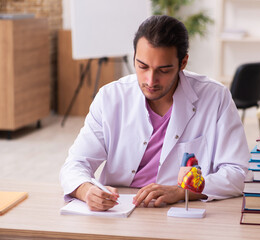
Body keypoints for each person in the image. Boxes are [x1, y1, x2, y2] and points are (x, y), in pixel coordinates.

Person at [59, 15, 249, 211]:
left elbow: (239, 172)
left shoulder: (215, 97)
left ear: (183, 63)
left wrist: (180, 191)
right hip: (118, 211)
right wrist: (86, 190)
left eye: (164, 70)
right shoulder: (110, 97)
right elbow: (76, 163)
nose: (150, 80)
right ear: (134, 57)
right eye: (142, 66)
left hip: (180, 211)